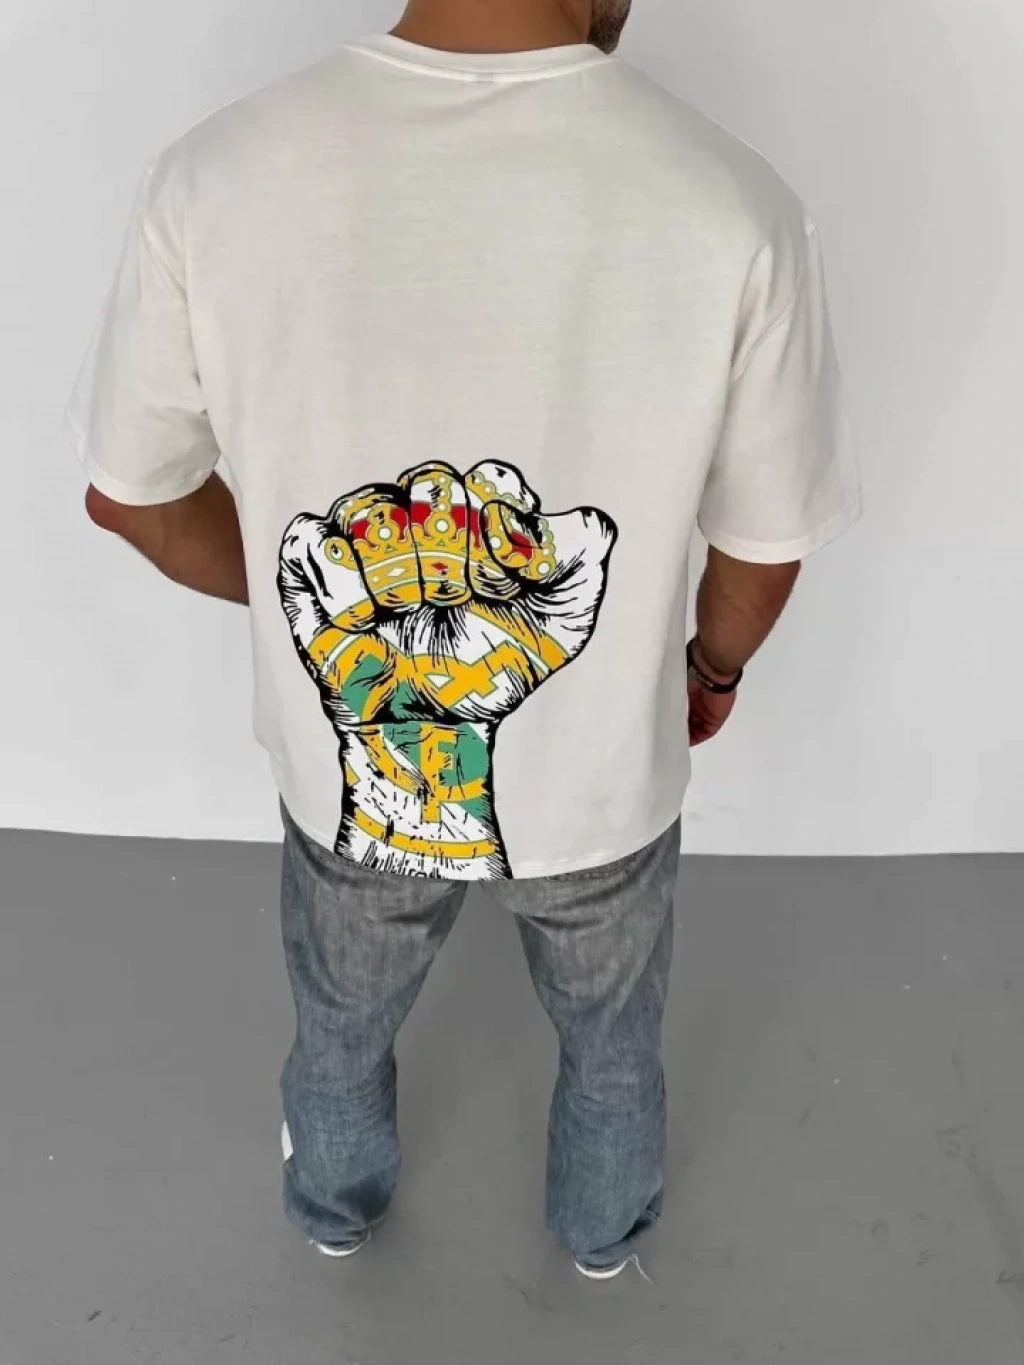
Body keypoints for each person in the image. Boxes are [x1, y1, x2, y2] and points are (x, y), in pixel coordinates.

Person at [66, 0, 860, 1281]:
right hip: (606, 774)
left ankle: (334, 1211)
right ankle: (600, 1239)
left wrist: (318, 622)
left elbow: (133, 499)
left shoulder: (213, 176)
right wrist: (705, 670)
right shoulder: (735, 205)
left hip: (344, 781)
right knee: (611, 1047)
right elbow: (763, 545)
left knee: (340, 1027)